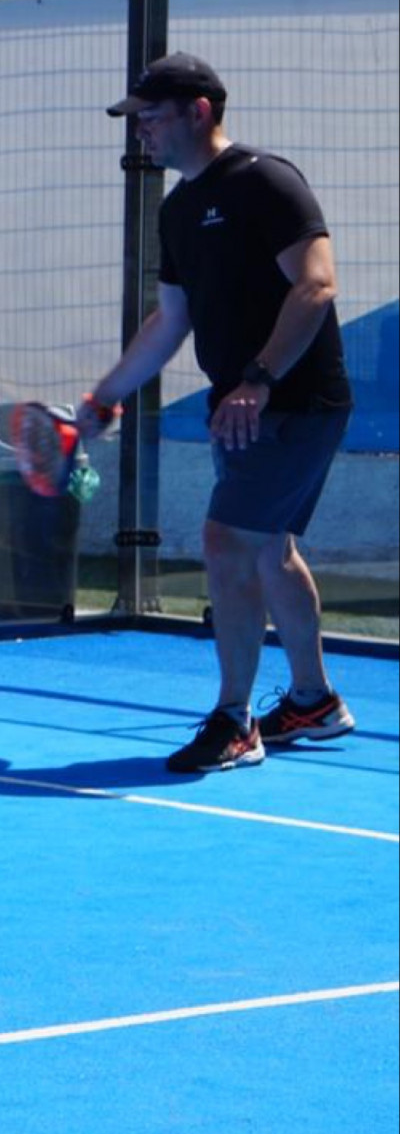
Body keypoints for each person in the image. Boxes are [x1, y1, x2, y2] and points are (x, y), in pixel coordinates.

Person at [85, 52, 355, 773]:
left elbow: (316, 285)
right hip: (242, 408)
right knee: (269, 549)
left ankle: (235, 720)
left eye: (151, 116)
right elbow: (170, 320)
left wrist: (258, 380)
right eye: (136, 119)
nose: (140, 130)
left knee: (226, 541)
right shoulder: (177, 210)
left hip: (292, 403)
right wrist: (104, 394)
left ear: (198, 111)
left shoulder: (266, 180)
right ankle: (314, 700)